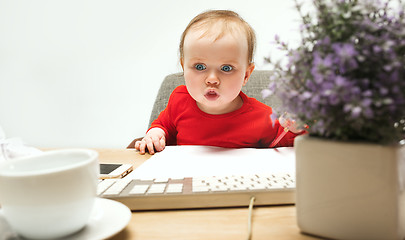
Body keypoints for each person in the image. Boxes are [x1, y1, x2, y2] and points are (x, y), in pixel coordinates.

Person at [135, 10, 303, 154]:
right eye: (200, 67)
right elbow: (164, 126)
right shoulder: (179, 99)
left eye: (226, 68)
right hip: (188, 182)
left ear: (246, 75)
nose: (212, 79)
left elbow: (285, 142)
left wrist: (295, 128)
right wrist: (156, 133)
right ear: (183, 68)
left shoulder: (263, 117)